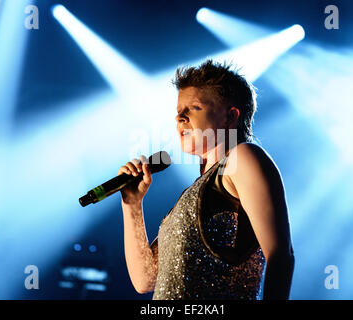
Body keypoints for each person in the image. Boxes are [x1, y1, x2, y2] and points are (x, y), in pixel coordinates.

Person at [118, 60, 294, 300]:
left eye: (194, 108)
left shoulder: (242, 157)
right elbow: (145, 280)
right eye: (179, 111)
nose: (180, 117)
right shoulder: (192, 195)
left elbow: (280, 255)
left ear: (230, 116)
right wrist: (132, 205)